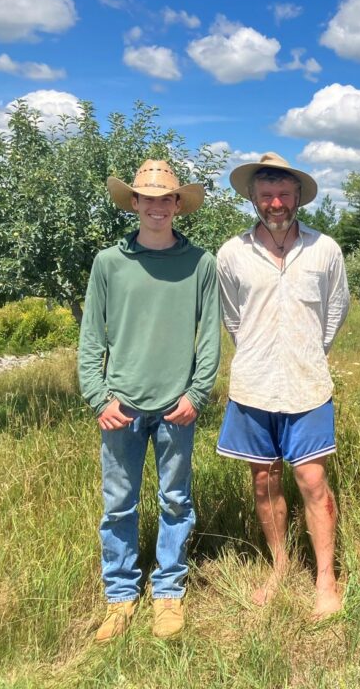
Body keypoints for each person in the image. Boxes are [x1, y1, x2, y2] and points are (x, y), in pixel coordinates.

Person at [79, 159, 220, 642]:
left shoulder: (201, 263)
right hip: (121, 405)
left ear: (178, 205)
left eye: (166, 199)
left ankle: (167, 593)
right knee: (118, 504)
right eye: (148, 198)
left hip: (177, 405)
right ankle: (120, 597)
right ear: (133, 203)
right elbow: (91, 337)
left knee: (176, 501)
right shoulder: (109, 263)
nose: (157, 207)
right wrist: (99, 397)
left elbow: (210, 339)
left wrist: (197, 394)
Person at [216, 152, 350, 618]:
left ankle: (325, 579)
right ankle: (278, 566)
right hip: (252, 385)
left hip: (307, 384)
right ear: (253, 198)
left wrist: (308, 350)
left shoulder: (325, 250)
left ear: (298, 199)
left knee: (312, 480)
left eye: (284, 194)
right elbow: (233, 318)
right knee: (263, 480)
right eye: (266, 194)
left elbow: (335, 313)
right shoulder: (231, 253)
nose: (276, 203)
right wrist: (259, 350)